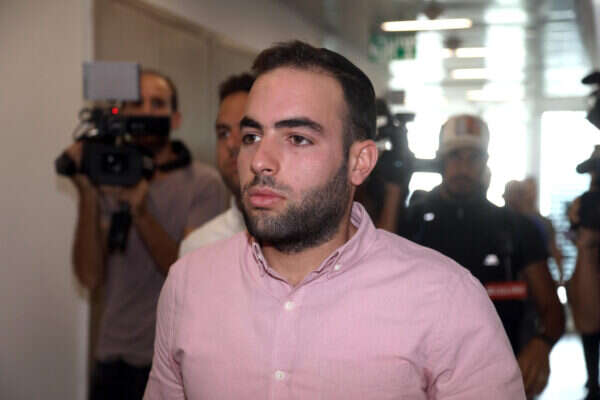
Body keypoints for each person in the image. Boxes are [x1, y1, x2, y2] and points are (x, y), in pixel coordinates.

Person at [144, 40, 525, 399]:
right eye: (251, 136)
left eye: (297, 138)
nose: (259, 160)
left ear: (360, 162)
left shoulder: (446, 299)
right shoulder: (189, 284)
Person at [65, 70, 227, 399]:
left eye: (157, 104)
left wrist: (140, 213)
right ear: (122, 114)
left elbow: (188, 272)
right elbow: (89, 277)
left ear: (175, 118)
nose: (145, 113)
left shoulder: (204, 184)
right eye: (136, 104)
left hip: (172, 361)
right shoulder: (107, 175)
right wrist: (87, 193)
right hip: (113, 356)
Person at [400, 114, 565, 398]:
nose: (463, 167)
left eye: (473, 157)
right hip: (420, 380)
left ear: (486, 161)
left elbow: (552, 309)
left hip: (497, 379)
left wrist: (542, 344)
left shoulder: (517, 227)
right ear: (441, 160)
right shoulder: (411, 222)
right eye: (455, 156)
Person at [179, 73, 255, 257]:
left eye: (248, 132)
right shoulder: (198, 249)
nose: (232, 144)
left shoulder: (312, 245)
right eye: (223, 133)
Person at [567, 145, 600, 400]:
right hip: (588, 267)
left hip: (588, 267)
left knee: (590, 330)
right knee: (589, 330)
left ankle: (592, 381)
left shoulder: (584, 201)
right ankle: (592, 381)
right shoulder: (583, 202)